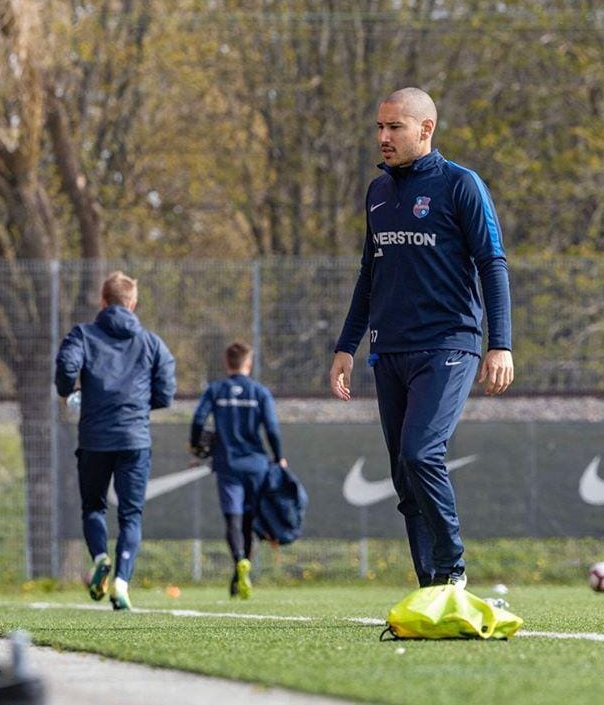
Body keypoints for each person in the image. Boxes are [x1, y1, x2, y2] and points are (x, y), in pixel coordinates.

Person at [329, 87, 514, 589]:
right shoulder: (378, 193)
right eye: (379, 127)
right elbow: (370, 274)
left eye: (394, 127)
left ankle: (453, 571)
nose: (383, 137)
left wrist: (501, 343)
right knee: (404, 476)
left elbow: (492, 265)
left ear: (425, 129)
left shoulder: (461, 185)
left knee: (421, 453)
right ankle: (431, 587)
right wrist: (347, 346)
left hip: (449, 345)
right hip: (389, 351)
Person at [55, 271, 176, 610]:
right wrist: (142, 404)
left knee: (93, 506)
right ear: (133, 304)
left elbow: (66, 367)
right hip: (134, 438)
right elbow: (166, 389)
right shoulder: (151, 342)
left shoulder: (83, 334)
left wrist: (71, 392)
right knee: (131, 515)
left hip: (95, 437)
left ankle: (99, 559)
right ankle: (121, 582)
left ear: (102, 301)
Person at [189, 341, 287, 599]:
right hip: (256, 465)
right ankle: (240, 571)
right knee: (249, 520)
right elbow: (272, 428)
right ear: (248, 363)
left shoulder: (216, 390)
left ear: (226, 363)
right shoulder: (259, 392)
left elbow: (199, 419)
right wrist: (279, 457)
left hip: (228, 464)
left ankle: (239, 561)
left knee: (232, 519)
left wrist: (195, 444)